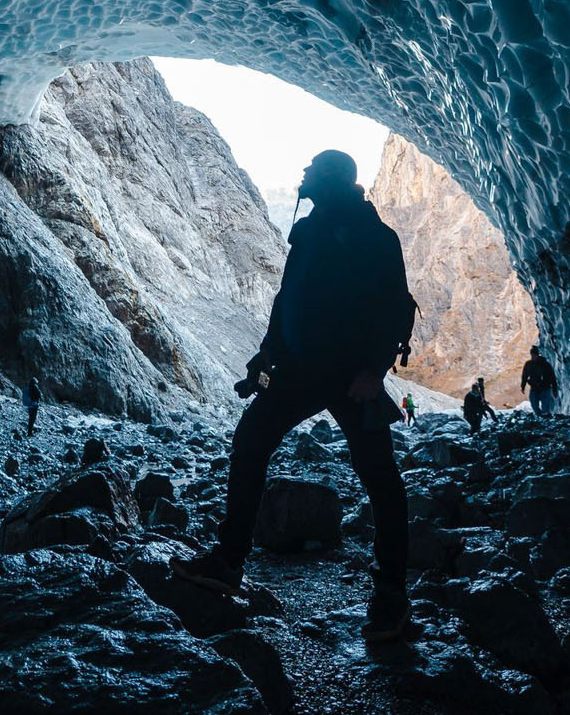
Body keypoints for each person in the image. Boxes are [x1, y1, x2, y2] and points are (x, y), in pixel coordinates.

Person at [171, 149, 417, 643]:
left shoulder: (374, 236)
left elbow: (397, 308)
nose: (303, 175)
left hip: (350, 375)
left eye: (312, 170)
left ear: (331, 180)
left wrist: (374, 370)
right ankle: (228, 562)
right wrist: (267, 356)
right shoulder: (308, 231)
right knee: (251, 443)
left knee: (380, 478)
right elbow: (288, 299)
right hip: (303, 369)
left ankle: (391, 591)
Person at [521, 345, 558, 416]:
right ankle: (539, 416)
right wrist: (523, 386)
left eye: (534, 355)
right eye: (532, 355)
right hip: (534, 388)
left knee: (545, 406)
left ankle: (545, 418)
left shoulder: (545, 364)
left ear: (537, 355)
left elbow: (552, 377)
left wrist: (554, 389)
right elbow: (524, 376)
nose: (533, 357)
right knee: (534, 404)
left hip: (545, 388)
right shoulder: (529, 364)